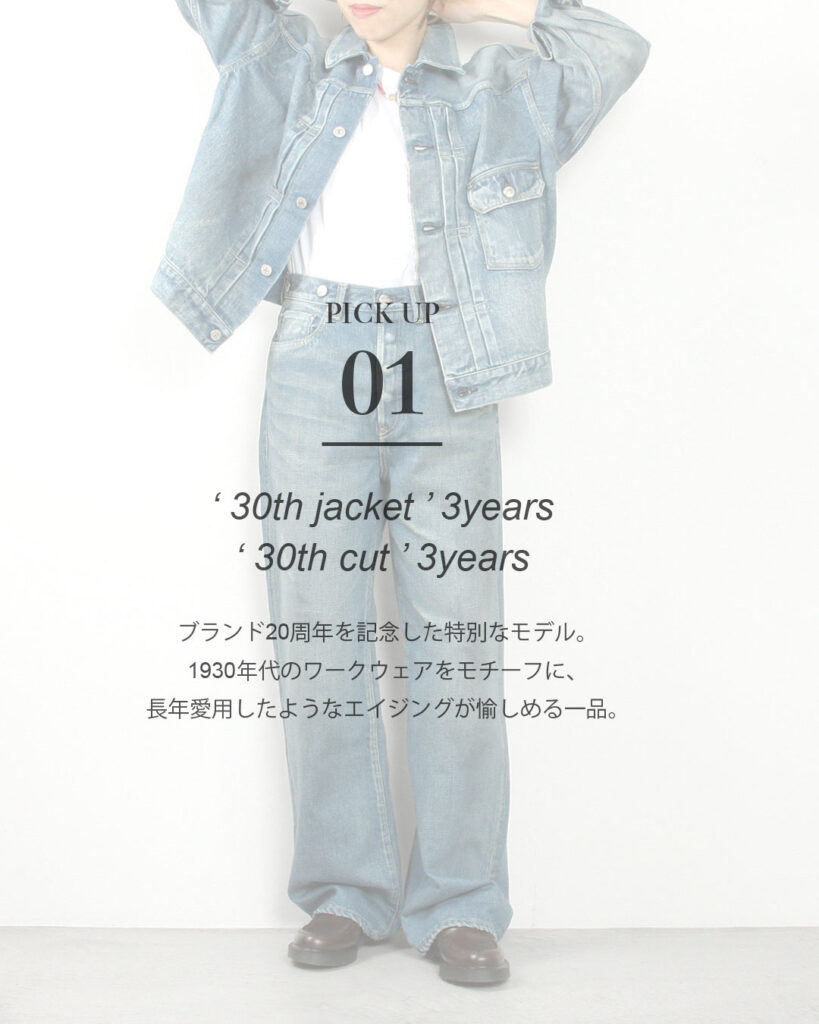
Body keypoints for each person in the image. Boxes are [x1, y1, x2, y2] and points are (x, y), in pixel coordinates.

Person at [153, 0, 649, 986]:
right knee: (319, 631)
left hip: (447, 358)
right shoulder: (285, 60)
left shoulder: (502, 88)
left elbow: (614, 47)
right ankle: (345, 891)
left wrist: (467, 3)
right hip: (316, 352)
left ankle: (461, 905)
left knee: (456, 638)